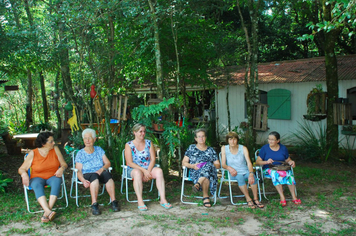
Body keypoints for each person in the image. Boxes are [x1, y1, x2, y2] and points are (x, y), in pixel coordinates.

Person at [18, 132, 68, 223]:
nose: (54, 143)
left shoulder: (55, 149)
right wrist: (24, 174)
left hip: (53, 176)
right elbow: (21, 168)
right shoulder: (33, 153)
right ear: (43, 144)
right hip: (37, 177)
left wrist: (62, 168)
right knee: (36, 184)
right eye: (51, 142)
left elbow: (64, 163)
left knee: (57, 181)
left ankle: (46, 213)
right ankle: (49, 211)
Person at [124, 123, 172, 211]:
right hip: (134, 169)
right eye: (140, 131)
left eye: (144, 131)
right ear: (134, 132)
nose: (143, 133)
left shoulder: (149, 143)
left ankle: (163, 199)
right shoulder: (129, 145)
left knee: (159, 171)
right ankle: (140, 200)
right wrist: (144, 171)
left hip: (148, 167)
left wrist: (148, 171)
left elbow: (153, 159)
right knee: (137, 173)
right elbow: (129, 162)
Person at [75, 128, 120, 215]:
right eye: (85, 138)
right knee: (94, 177)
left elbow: (107, 163)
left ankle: (113, 201)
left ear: (94, 139)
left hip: (100, 172)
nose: (87, 140)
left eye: (90, 138)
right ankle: (94, 204)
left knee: (107, 175)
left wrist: (101, 169)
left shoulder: (99, 150)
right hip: (88, 174)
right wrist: (83, 180)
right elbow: (79, 170)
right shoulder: (80, 153)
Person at [255, 131, 301, 207]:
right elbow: (257, 162)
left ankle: (294, 197)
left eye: (272, 139)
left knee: (289, 174)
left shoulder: (283, 148)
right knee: (275, 173)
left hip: (281, 168)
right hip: (268, 169)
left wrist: (291, 162)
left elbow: (287, 159)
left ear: (278, 141)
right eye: (269, 139)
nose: (270, 141)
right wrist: (266, 162)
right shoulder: (264, 148)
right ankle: (282, 197)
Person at [221, 131, 264, 208]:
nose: (232, 141)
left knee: (253, 176)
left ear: (237, 140)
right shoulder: (224, 148)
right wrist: (229, 168)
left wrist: (251, 173)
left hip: (245, 170)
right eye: (230, 139)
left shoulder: (243, 148)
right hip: (233, 172)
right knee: (240, 177)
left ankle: (256, 198)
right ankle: (248, 199)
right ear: (227, 140)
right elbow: (223, 164)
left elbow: (249, 162)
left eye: (234, 139)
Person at [182, 128, 220, 208]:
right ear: (195, 138)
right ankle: (205, 197)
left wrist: (211, 166)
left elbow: (217, 164)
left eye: (203, 136)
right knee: (206, 175)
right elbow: (184, 162)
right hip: (196, 171)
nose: (201, 138)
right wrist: (193, 166)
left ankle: (198, 184)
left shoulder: (211, 150)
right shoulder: (191, 148)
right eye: (199, 136)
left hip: (209, 171)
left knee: (208, 165)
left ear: (205, 137)